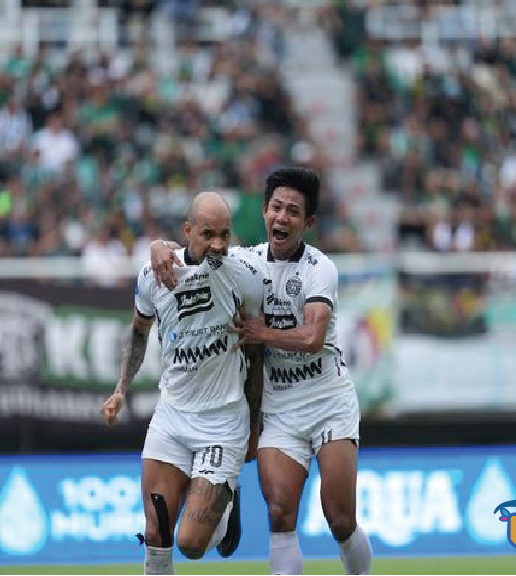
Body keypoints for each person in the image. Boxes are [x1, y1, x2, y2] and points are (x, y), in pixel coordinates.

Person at [151, 168, 373, 575]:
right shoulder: (245, 260)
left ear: (308, 223)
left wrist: (260, 332)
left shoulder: (319, 269)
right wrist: (158, 247)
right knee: (280, 514)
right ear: (265, 212)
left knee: (339, 520)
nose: (281, 217)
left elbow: (312, 337)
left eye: (293, 211)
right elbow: (197, 247)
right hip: (281, 408)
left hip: (328, 400)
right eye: (276, 208)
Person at [102, 192, 270, 575]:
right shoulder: (154, 275)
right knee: (156, 532)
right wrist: (120, 390)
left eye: (225, 234)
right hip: (172, 418)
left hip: (223, 423)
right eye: (208, 234)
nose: (218, 245)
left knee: (191, 544)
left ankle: (225, 506)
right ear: (187, 231)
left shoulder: (241, 273)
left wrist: (254, 425)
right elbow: (139, 332)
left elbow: (255, 353)